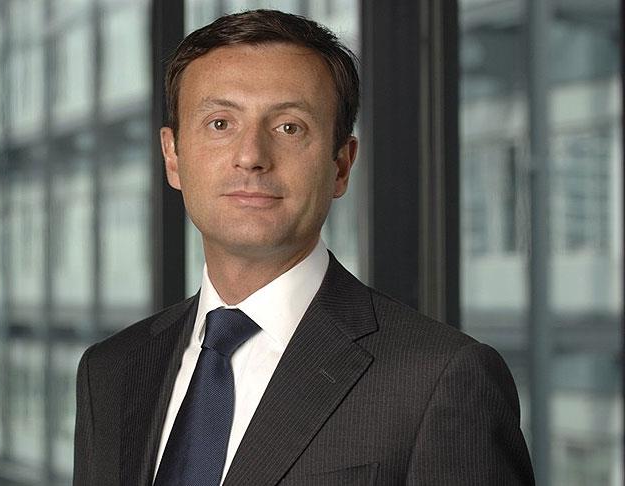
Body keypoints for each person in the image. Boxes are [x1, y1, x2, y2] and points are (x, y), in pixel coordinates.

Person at [73, 9, 534, 486]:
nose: (251, 156)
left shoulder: (440, 378)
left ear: (341, 165)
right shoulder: (110, 371)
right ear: (173, 156)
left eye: (289, 127)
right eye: (220, 123)